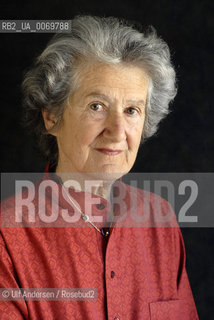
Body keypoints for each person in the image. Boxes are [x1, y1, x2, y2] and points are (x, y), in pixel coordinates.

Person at [0, 15, 199, 319]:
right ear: (52, 116)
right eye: (97, 106)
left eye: (132, 110)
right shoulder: (9, 236)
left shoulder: (161, 222)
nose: (117, 130)